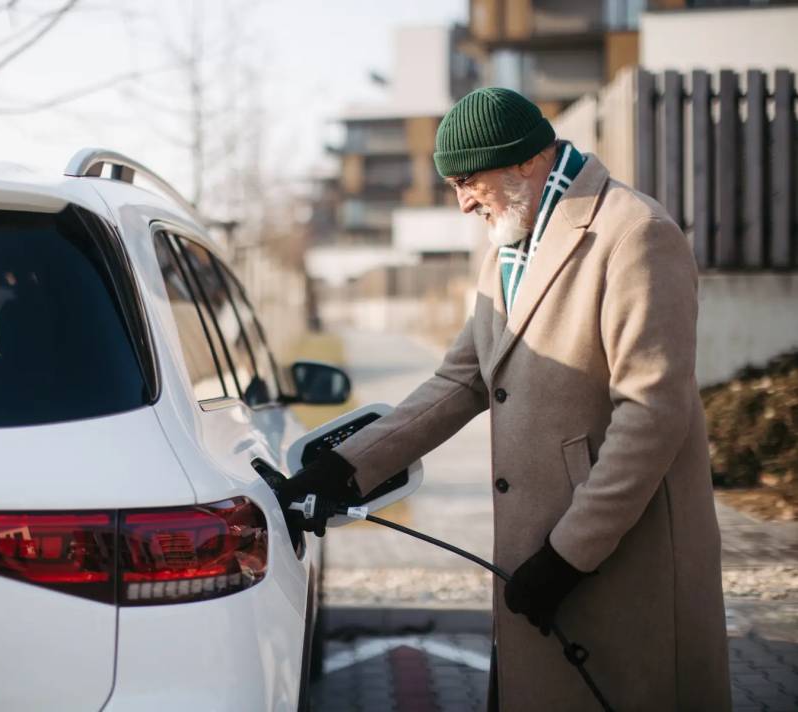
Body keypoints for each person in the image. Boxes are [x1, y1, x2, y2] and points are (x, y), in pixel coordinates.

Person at [276, 87, 731, 711]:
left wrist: (571, 556)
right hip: (540, 560)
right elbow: (461, 380)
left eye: (467, 180)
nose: (462, 203)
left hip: (619, 564)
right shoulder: (508, 248)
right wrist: (346, 468)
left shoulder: (635, 234)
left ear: (523, 161)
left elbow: (651, 416)